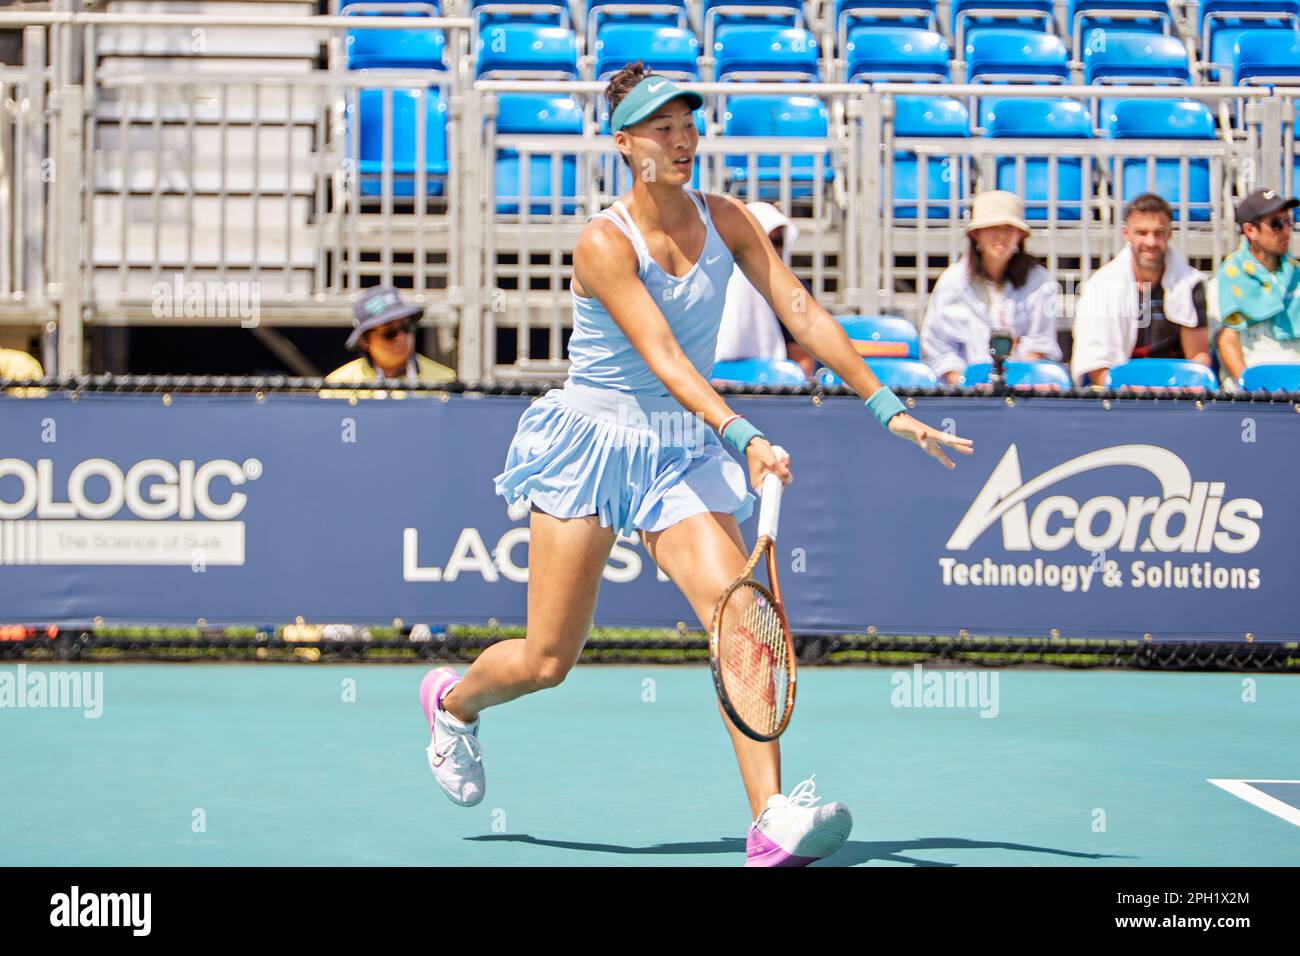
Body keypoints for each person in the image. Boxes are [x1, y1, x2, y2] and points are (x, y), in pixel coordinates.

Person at [415, 63, 974, 868]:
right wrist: (743, 436)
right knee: (546, 661)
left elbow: (801, 310)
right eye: (661, 128)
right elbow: (667, 357)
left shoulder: (728, 218)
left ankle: (771, 818)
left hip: (677, 449)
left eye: (688, 124)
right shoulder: (604, 242)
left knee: (739, 619)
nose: (681, 140)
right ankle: (455, 703)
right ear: (624, 144)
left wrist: (887, 405)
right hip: (595, 443)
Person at [920, 190, 1062, 384]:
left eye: (1009, 228)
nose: (1001, 235)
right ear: (976, 234)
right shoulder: (951, 282)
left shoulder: (1039, 281)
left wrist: (1019, 381)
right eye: (992, 227)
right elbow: (938, 349)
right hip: (963, 398)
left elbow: (1039, 344)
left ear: (1020, 235)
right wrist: (965, 384)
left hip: (1023, 394)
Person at [1071, 193, 1209, 385]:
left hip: (1174, 392)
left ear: (1170, 234)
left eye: (1159, 233)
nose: (1151, 242)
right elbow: (1097, 365)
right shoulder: (1101, 286)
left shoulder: (1191, 284)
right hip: (1119, 396)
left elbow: (1198, 359)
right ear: (1126, 234)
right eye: (1142, 233)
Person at [1210, 188, 1300, 388]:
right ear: (1250, 230)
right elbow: (1227, 341)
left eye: (1289, 221)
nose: (1286, 230)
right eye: (1277, 224)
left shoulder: (1297, 274)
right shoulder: (1225, 280)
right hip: (1252, 391)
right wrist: (1251, 389)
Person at [715, 202, 816, 378]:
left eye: (777, 241)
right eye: (761, 240)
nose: (771, 249)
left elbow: (802, 360)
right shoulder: (708, 286)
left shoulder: (795, 291)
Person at [322, 285, 455, 397]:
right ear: (365, 341)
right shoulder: (337, 387)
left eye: (407, 327)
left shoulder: (446, 381)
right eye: (389, 333)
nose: (401, 337)